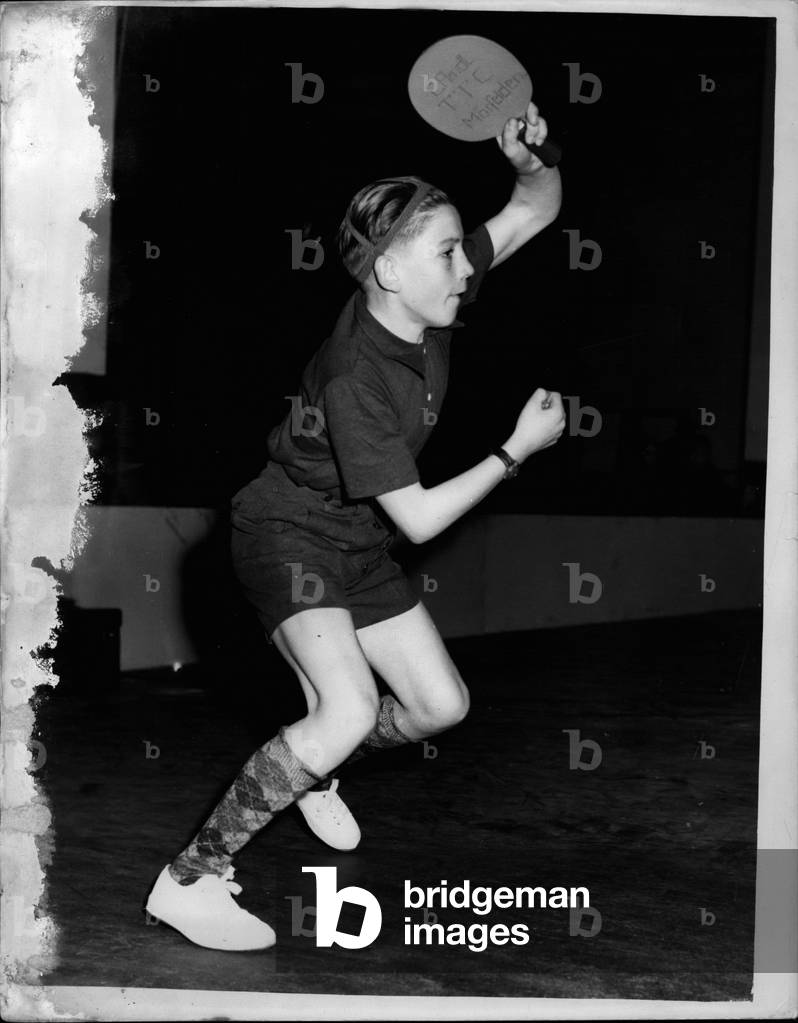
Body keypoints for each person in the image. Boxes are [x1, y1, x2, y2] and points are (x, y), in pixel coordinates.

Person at [146, 102, 565, 951]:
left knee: (440, 704)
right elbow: (418, 517)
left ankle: (310, 765)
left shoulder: (425, 295)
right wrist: (515, 450)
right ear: (389, 271)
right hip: (287, 532)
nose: (465, 266)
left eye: (461, 249)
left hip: (358, 540)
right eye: (447, 253)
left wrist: (534, 157)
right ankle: (189, 879)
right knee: (346, 706)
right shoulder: (355, 378)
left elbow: (536, 208)